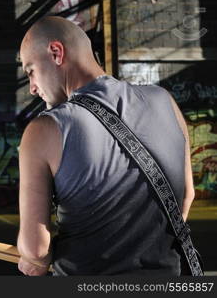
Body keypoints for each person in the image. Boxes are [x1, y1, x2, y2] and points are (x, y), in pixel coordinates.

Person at [16, 16, 195, 276]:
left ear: (56, 52)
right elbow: (186, 195)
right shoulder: (164, 101)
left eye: (30, 70)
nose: (32, 88)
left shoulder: (44, 130)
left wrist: (35, 261)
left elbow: (36, 250)